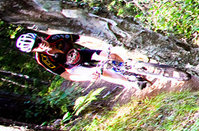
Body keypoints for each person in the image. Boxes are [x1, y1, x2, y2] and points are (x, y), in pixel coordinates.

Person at [14, 32, 148, 89]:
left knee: (110, 56)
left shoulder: (56, 38)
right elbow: (66, 75)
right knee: (99, 72)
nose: (40, 44)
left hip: (80, 54)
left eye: (38, 40)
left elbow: (80, 39)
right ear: (33, 50)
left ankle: (129, 69)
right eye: (35, 46)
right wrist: (88, 77)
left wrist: (102, 46)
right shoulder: (43, 59)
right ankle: (129, 83)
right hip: (73, 67)